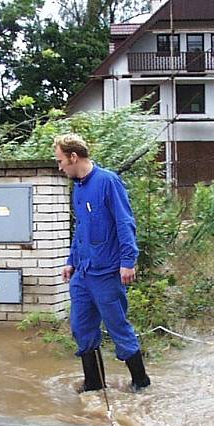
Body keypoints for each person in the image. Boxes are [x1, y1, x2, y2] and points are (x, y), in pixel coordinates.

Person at [54, 133, 151, 393]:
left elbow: (125, 222)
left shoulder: (108, 182)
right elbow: (81, 228)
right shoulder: (78, 187)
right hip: (83, 274)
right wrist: (71, 261)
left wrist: (128, 261)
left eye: (61, 160)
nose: (60, 166)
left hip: (108, 272)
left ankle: (141, 384)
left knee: (118, 327)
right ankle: (94, 385)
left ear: (74, 157)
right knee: (81, 327)